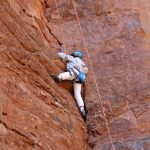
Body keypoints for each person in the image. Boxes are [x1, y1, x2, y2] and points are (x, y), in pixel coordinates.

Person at [51, 50, 88, 121]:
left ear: (74, 55)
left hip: (73, 73)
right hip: (80, 79)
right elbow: (86, 70)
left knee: (65, 75)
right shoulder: (83, 64)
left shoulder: (72, 58)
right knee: (77, 94)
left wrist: (59, 53)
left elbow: (63, 56)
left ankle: (59, 78)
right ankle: (82, 109)